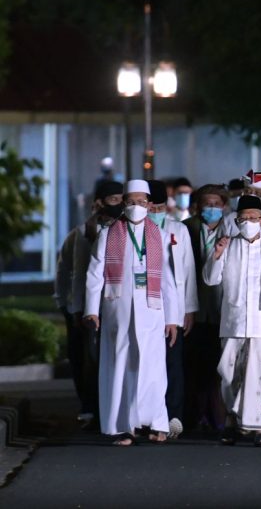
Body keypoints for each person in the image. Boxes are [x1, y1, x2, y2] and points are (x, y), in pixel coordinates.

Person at [84, 180, 180, 446]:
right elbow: (94, 274)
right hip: (119, 310)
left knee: (154, 369)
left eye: (141, 201)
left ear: (149, 204)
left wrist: (173, 318)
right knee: (121, 367)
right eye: (131, 201)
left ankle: (157, 424)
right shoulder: (108, 233)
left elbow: (168, 279)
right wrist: (91, 310)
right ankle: (124, 428)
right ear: (123, 204)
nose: (136, 206)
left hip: (152, 311)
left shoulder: (158, 235)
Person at [203, 195, 261, 447]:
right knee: (229, 372)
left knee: (260, 373)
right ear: (236, 220)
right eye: (244, 219)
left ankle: (259, 426)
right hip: (233, 321)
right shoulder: (226, 245)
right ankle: (233, 421)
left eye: (254, 218)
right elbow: (211, 280)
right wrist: (217, 254)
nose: (249, 223)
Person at [55, 180, 123, 426]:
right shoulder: (80, 234)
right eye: (113, 200)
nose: (119, 205)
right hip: (84, 309)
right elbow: (70, 274)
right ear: (98, 203)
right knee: (87, 359)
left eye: (121, 199)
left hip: (114, 304)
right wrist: (70, 307)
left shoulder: (123, 232)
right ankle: (90, 407)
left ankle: (110, 407)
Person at [146, 180, 199, 439]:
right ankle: (146, 415)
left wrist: (188, 309)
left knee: (172, 362)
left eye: (159, 206)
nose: (155, 210)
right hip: (145, 308)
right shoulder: (134, 232)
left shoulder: (179, 229)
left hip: (173, 308)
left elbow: (187, 271)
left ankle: (173, 414)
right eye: (150, 206)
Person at [183, 184, 233, 432]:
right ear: (197, 206)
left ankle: (218, 418)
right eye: (207, 203)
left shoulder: (231, 230)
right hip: (195, 307)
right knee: (195, 364)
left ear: (224, 205)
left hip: (223, 307)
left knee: (219, 366)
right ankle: (195, 416)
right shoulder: (187, 229)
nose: (211, 208)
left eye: (216, 203)